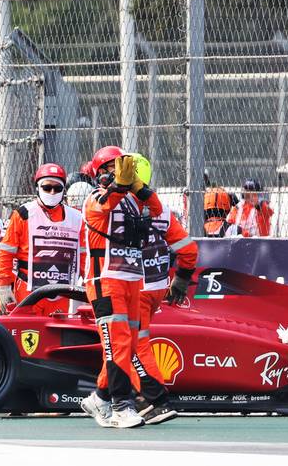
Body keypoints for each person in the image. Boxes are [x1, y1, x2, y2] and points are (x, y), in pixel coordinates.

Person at [78, 146, 164, 429]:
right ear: (101, 172)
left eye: (122, 166)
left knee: (124, 344)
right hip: (105, 280)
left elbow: (157, 209)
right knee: (118, 344)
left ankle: (99, 397)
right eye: (113, 167)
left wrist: (138, 186)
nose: (119, 170)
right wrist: (119, 185)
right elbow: (106, 204)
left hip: (130, 279)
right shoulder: (94, 199)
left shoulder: (132, 201)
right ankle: (119, 407)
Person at [132, 154, 197, 425]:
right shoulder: (163, 211)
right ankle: (131, 397)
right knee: (123, 342)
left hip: (133, 286)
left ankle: (156, 400)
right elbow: (189, 249)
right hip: (159, 286)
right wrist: (181, 278)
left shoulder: (120, 208)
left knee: (132, 343)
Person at [0, 163, 83, 315]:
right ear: (37, 187)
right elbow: (6, 252)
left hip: (63, 292)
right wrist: (3, 286)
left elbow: (84, 257)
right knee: (27, 334)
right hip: (28, 290)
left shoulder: (77, 218)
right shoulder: (24, 214)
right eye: (47, 187)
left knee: (58, 336)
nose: (52, 192)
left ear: (64, 190)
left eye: (58, 188)